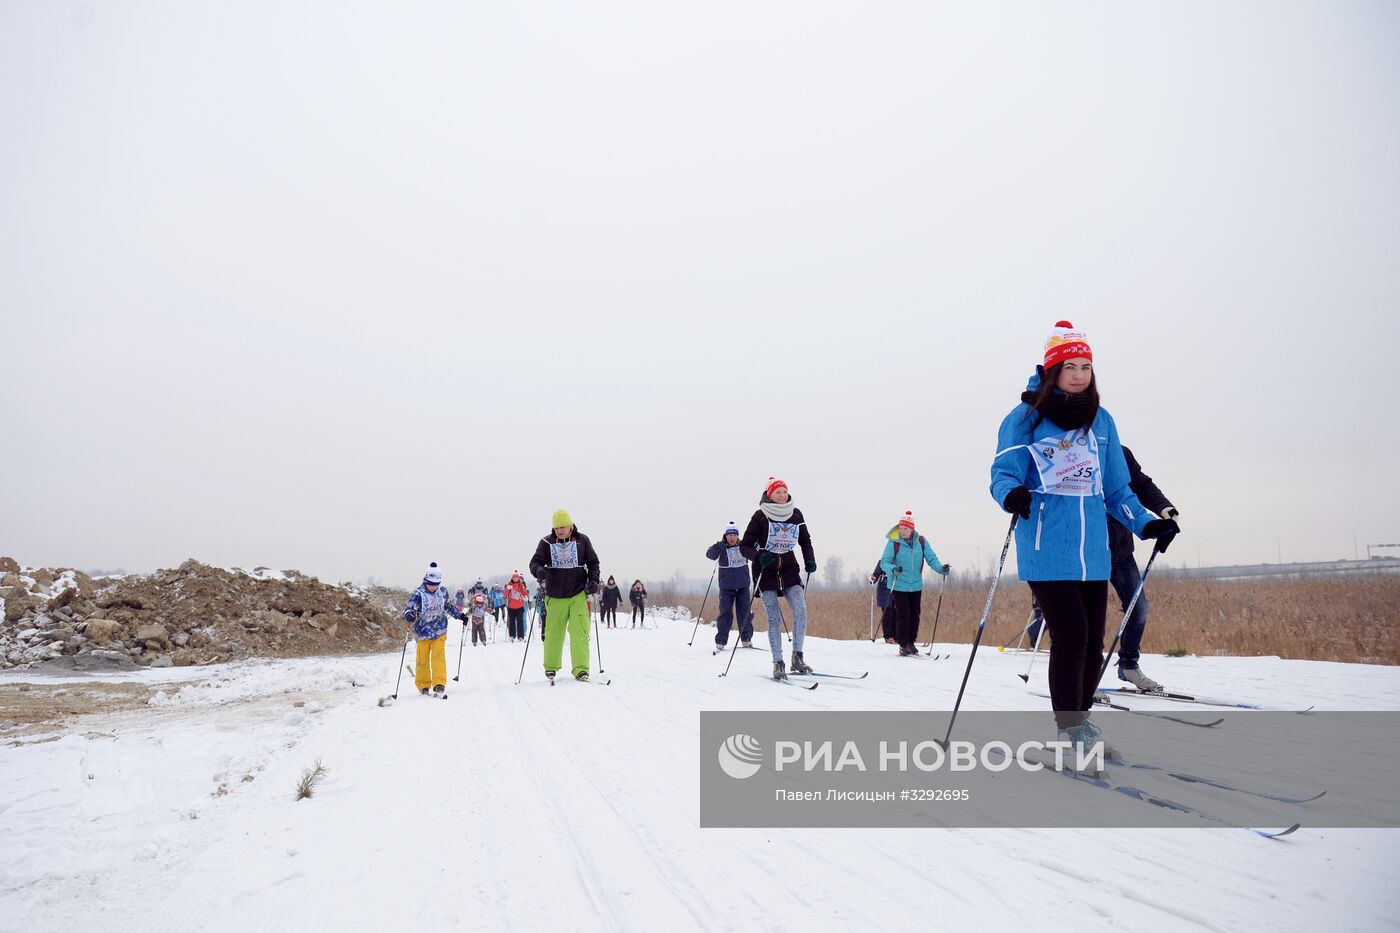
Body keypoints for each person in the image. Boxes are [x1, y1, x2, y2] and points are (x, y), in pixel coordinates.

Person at [989, 321, 1179, 754]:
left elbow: (1117, 490)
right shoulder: (1025, 419)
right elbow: (1002, 473)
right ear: (1052, 371)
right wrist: (1010, 494)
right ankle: (1068, 729)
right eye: (1069, 367)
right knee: (1072, 636)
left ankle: (1082, 720)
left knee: (1093, 644)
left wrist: (1147, 523)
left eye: (1085, 367)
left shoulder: (1102, 421)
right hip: (1046, 547)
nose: (1078, 375)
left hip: (1094, 552)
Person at [1109, 446, 1178, 693]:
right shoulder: (1077, 453)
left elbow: (1141, 484)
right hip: (1086, 553)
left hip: (1120, 551)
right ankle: (1082, 675)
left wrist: (1165, 508)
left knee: (1138, 609)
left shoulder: (1120, 453)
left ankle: (1128, 665)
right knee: (1086, 616)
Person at [740, 476, 817, 680]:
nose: (782, 495)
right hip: (766, 571)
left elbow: (805, 540)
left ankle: (797, 657)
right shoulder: (760, 516)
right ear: (769, 495)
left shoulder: (795, 514)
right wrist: (758, 556)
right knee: (774, 618)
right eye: (778, 492)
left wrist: (810, 559)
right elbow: (744, 546)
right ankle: (778, 662)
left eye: (784, 491)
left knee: (801, 611)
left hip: (789, 569)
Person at [529, 509, 601, 683]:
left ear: (570, 526)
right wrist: (539, 571)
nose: (559, 531)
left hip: (578, 594)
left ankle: (581, 669)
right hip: (555, 595)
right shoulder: (546, 542)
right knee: (554, 634)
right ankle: (551, 667)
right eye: (556, 528)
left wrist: (593, 581)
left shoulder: (582, 540)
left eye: (563, 527)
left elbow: (593, 562)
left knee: (580, 632)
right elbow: (534, 563)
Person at [879, 511, 950, 656]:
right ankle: (903, 644)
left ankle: (911, 642)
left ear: (912, 529)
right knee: (903, 613)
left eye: (905, 528)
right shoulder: (894, 542)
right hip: (899, 584)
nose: (902, 531)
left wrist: (941, 569)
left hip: (915, 585)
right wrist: (893, 569)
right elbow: (884, 562)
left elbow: (931, 558)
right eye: (900, 528)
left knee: (915, 614)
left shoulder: (921, 541)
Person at [402, 562, 466, 696]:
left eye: (436, 584)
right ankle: (423, 684)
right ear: (426, 581)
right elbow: (409, 607)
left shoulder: (442, 592)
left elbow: (448, 606)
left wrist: (460, 615)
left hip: (439, 630)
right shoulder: (418, 594)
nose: (433, 587)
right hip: (423, 632)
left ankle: (439, 684)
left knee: (438, 657)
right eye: (431, 584)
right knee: (422, 660)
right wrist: (409, 614)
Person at [706, 522, 754, 649]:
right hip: (726, 587)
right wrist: (719, 547)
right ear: (726, 536)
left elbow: (757, 549)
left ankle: (746, 639)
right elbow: (709, 554)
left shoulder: (744, 546)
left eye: (734, 535)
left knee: (745, 613)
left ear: (737, 536)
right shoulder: (721, 546)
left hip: (743, 586)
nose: (732, 538)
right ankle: (721, 641)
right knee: (725, 614)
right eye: (730, 535)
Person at [869, 561, 895, 644]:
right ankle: (888, 636)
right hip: (884, 589)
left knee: (897, 613)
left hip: (897, 588)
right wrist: (874, 577)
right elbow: (877, 573)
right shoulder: (883, 562)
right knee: (887, 613)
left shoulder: (901, 560)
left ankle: (897, 635)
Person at [504, 571, 530, 641]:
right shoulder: (509, 584)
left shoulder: (521, 585)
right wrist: (507, 589)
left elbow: (525, 592)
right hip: (511, 606)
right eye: (514, 578)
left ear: (518, 578)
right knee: (512, 621)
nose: (515, 579)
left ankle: (521, 636)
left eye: (517, 578)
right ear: (512, 578)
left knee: (520, 621)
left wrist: (525, 596)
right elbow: (505, 595)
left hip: (520, 606)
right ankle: (512, 635)